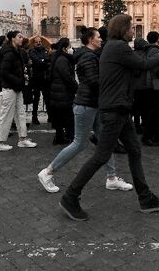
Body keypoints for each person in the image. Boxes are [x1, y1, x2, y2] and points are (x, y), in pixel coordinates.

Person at [59, 14, 159, 221]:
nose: (133, 29)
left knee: (134, 150)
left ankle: (145, 197)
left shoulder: (111, 47)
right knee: (101, 156)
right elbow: (144, 65)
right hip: (114, 108)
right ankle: (70, 196)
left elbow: (130, 71)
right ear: (122, 29)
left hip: (120, 107)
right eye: (130, 27)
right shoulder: (118, 47)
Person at [37, 26, 134, 194]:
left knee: (105, 140)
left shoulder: (90, 56)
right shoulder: (87, 57)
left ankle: (111, 178)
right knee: (79, 143)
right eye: (98, 37)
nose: (101, 39)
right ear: (90, 39)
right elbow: (94, 82)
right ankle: (48, 172)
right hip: (85, 105)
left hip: (93, 104)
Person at [0, 31, 37, 151]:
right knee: (6, 115)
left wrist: (23, 77)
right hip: (10, 87)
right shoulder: (9, 53)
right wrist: (18, 80)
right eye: (19, 37)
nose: (22, 39)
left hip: (17, 87)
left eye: (22, 37)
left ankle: (23, 138)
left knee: (20, 113)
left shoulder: (17, 52)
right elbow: (4, 72)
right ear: (12, 39)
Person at [139, 31, 159, 146]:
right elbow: (158, 69)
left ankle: (157, 134)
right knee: (156, 110)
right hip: (155, 84)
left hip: (151, 83)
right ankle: (148, 136)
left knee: (157, 110)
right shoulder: (155, 51)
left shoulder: (148, 50)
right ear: (157, 39)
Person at [48, 37, 77, 145]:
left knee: (60, 116)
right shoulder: (63, 60)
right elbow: (67, 77)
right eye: (69, 46)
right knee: (68, 116)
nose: (71, 48)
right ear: (65, 48)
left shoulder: (59, 58)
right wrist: (76, 87)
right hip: (62, 92)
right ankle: (70, 136)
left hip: (59, 92)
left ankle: (60, 137)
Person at [28, 37, 50, 125]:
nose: (39, 43)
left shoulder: (45, 50)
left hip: (45, 78)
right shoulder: (32, 51)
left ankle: (50, 116)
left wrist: (42, 60)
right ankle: (34, 116)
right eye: (37, 42)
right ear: (34, 43)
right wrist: (43, 61)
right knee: (36, 99)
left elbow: (47, 59)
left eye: (40, 42)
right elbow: (38, 61)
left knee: (47, 98)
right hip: (36, 78)